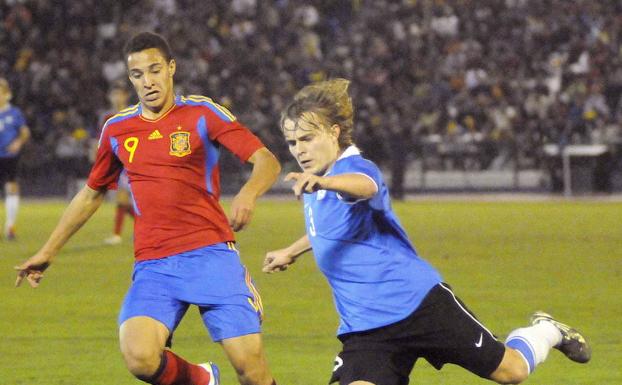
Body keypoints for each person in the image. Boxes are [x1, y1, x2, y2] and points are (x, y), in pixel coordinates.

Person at [263, 79, 591, 385]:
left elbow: (365, 187)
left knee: (512, 370)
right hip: (366, 327)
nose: (299, 150)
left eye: (307, 138)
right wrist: (291, 251)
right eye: (292, 142)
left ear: (334, 132)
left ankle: (547, 330)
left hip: (419, 305)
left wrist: (325, 182)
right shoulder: (314, 178)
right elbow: (331, 230)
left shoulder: (351, 168)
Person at [15, 32, 281, 385]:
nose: (148, 81)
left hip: (211, 254)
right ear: (130, 79)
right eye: (137, 75)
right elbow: (91, 194)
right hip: (154, 263)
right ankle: (204, 380)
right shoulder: (117, 128)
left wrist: (248, 193)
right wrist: (48, 251)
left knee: (252, 371)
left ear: (171, 68)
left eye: (155, 70)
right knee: (139, 356)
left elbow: (266, 160)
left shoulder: (202, 112)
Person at [95, 81, 135, 245]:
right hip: (119, 163)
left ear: (126, 96)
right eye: (113, 95)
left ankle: (147, 226)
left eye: (119, 94)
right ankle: (118, 234)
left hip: (135, 160)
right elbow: (103, 140)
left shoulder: (135, 113)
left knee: (140, 200)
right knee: (122, 199)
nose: (116, 98)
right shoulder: (107, 117)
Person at [0, 77, 30, 241]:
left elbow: (25, 132)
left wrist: (18, 142)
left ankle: (10, 226)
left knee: (11, 188)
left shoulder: (14, 113)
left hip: (9, 157)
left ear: (6, 94)